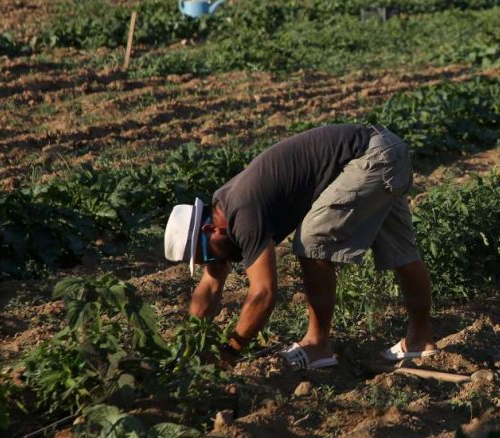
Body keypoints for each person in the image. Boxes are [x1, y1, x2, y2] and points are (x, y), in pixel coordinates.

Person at [163, 124, 438, 369]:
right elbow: (210, 287)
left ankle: (317, 345)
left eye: (208, 255)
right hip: (385, 150)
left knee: (311, 240)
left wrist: (231, 351)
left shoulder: (242, 214)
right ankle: (419, 341)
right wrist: (188, 343)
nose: (214, 262)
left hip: (370, 158)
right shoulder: (222, 211)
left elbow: (263, 293)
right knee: (402, 253)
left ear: (209, 229)